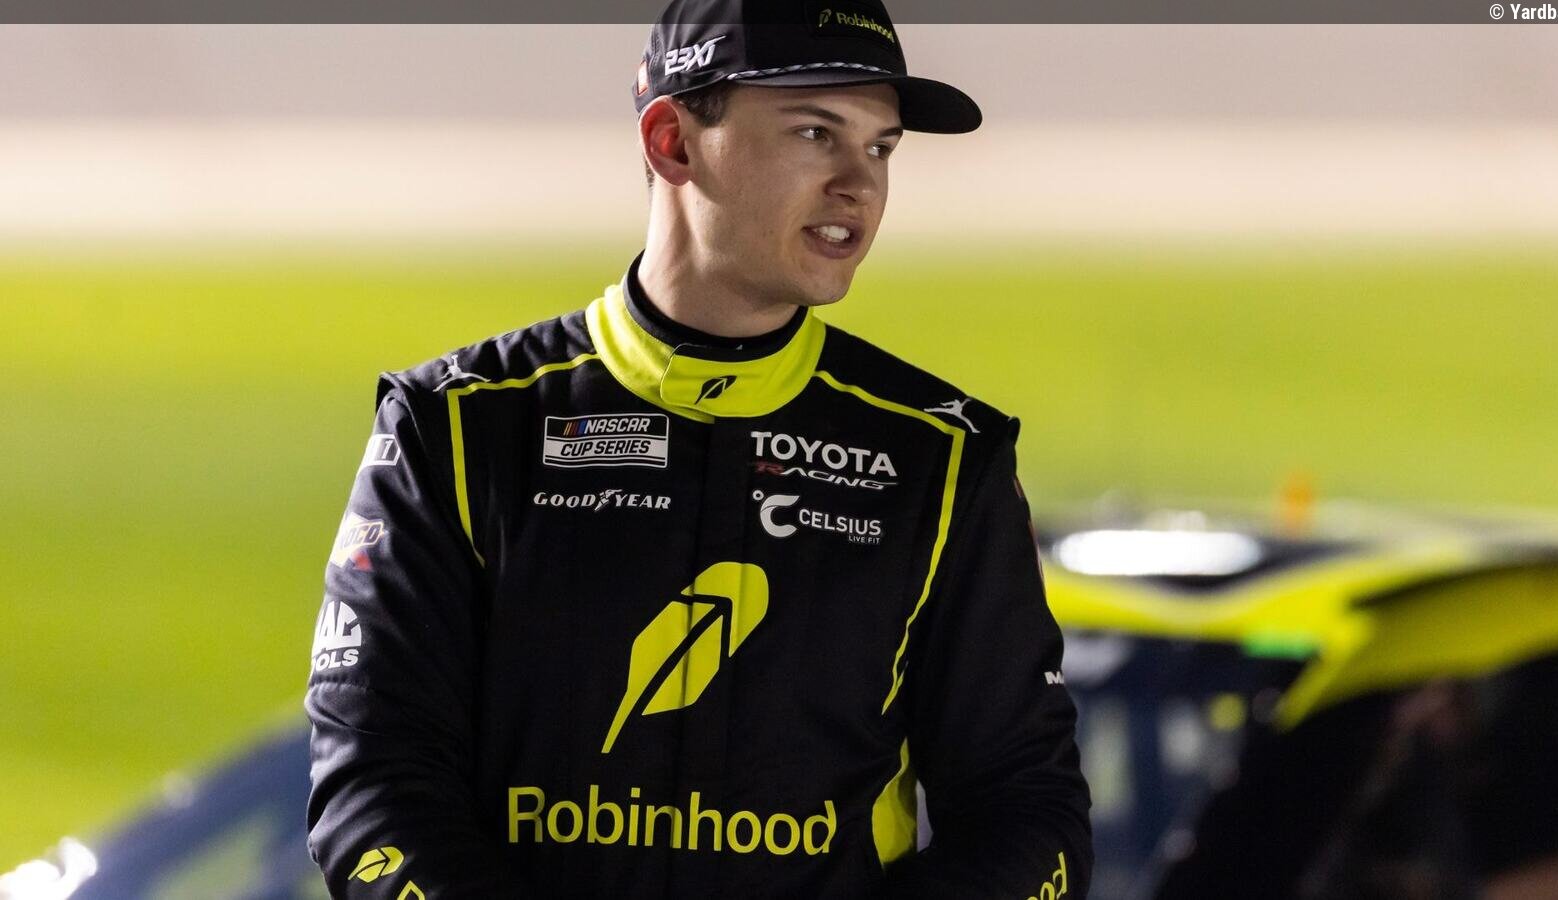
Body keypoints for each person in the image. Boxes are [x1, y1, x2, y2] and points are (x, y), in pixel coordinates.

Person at [304, 0, 1093, 896]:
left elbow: (1031, 815)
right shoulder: (454, 426)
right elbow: (371, 788)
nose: (860, 186)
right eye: (815, 133)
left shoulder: (944, 459)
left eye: (880, 148)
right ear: (672, 141)